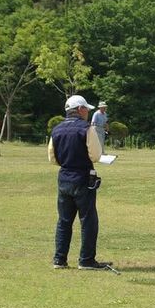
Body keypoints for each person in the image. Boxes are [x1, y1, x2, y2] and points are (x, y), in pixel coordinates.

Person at [48, 94, 115, 272]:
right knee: (88, 220)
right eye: (86, 108)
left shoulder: (56, 129)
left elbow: (52, 158)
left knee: (64, 220)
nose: (87, 112)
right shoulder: (86, 128)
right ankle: (86, 260)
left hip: (64, 177)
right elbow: (95, 155)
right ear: (80, 110)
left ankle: (59, 259)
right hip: (83, 177)